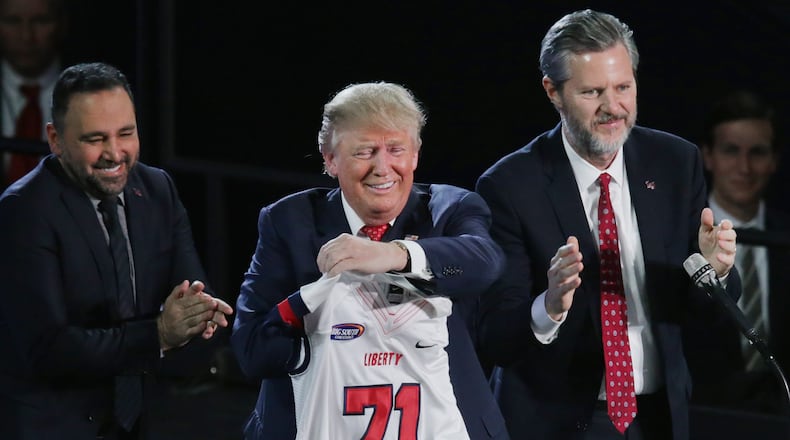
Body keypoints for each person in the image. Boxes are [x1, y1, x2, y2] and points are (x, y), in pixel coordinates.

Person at [475, 9, 739, 440]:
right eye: (592, 92)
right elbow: (495, 337)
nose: (612, 107)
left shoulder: (675, 163)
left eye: (623, 87)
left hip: (658, 419)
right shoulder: (509, 186)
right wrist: (548, 307)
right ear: (553, 92)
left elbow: (703, 316)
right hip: (555, 422)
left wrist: (716, 271)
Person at [231, 81, 509, 439]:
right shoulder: (289, 221)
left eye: (396, 149)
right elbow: (252, 350)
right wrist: (331, 337)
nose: (383, 167)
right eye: (365, 151)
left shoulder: (447, 210)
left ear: (415, 154)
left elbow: (484, 263)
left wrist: (392, 255)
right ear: (330, 158)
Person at [0, 61, 233, 439]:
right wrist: (158, 333)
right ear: (56, 139)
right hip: (53, 425)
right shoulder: (24, 210)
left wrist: (199, 319)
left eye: (125, 133)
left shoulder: (157, 190)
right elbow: (49, 349)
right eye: (95, 139)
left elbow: (195, 299)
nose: (115, 153)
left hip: (141, 420)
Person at [684, 89, 790, 414]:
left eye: (757, 152)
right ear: (708, 156)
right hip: (702, 415)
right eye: (731, 151)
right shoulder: (679, 236)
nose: (744, 167)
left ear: (774, 160)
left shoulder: (785, 236)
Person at [0, 0, 67, 189]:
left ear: (62, 24)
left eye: (41, 21)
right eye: (13, 21)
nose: (26, 36)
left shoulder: (91, 92)